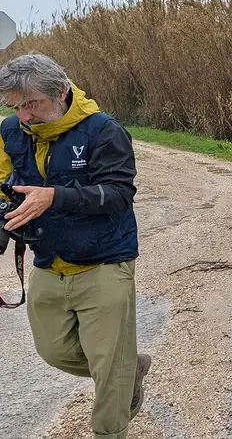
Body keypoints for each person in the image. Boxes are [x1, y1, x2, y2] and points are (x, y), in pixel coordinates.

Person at [0, 54, 148, 439]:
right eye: (15, 107)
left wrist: (54, 197)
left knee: (109, 369)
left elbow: (118, 195)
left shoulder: (104, 131)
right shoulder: (10, 131)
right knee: (53, 350)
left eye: (31, 104)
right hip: (49, 260)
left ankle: (110, 424)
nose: (24, 116)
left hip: (104, 261)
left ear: (61, 93)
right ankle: (127, 368)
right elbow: (2, 184)